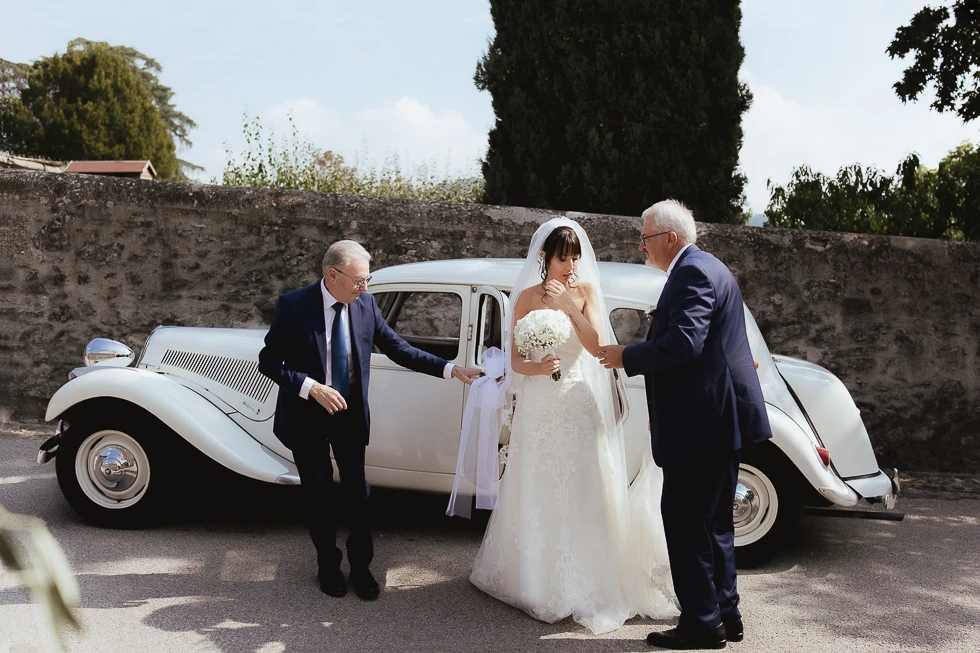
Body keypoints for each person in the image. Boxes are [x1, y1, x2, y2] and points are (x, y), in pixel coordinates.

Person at [469, 218, 677, 635]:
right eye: (563, 257)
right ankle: (532, 577)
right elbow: (514, 361)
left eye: (575, 256)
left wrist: (567, 306)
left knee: (583, 486)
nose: (570, 264)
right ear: (545, 257)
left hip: (577, 400)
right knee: (537, 482)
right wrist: (537, 366)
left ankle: (590, 577)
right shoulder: (525, 298)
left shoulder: (585, 292)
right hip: (539, 404)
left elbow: (597, 345)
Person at [258, 240, 480, 600]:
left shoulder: (365, 304)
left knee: (357, 494)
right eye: (359, 281)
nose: (365, 288)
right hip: (305, 416)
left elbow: (397, 347)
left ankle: (361, 568)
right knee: (318, 495)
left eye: (367, 280)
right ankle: (328, 566)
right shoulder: (294, 306)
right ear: (333, 275)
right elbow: (269, 361)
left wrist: (451, 369)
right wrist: (310, 387)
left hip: (349, 416)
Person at [599, 200, 773, 649]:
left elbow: (685, 342)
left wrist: (626, 356)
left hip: (701, 423)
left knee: (684, 521)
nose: (641, 246)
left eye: (645, 237)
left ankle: (701, 622)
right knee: (714, 524)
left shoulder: (691, 272)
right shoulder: (710, 266)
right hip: (718, 419)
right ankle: (725, 615)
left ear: (669, 239)